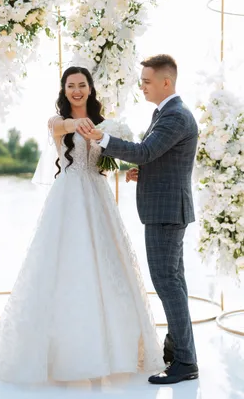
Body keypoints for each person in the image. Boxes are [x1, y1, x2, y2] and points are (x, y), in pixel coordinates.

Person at [0, 66, 163, 385]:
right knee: (65, 267)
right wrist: (75, 123)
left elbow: (110, 162)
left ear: (91, 89)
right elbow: (61, 125)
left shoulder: (108, 125)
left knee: (109, 267)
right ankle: (65, 354)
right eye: (70, 86)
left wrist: (129, 171)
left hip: (98, 196)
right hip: (67, 197)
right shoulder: (57, 122)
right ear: (64, 91)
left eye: (82, 85)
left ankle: (113, 351)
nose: (76, 90)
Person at [82, 55, 199, 385]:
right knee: (173, 283)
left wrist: (101, 139)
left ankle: (186, 361)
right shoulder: (166, 113)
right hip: (167, 210)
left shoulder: (175, 115)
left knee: (167, 285)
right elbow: (158, 158)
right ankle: (178, 349)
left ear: (166, 82)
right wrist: (142, 173)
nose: (142, 86)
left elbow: (146, 150)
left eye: (147, 81)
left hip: (166, 214)